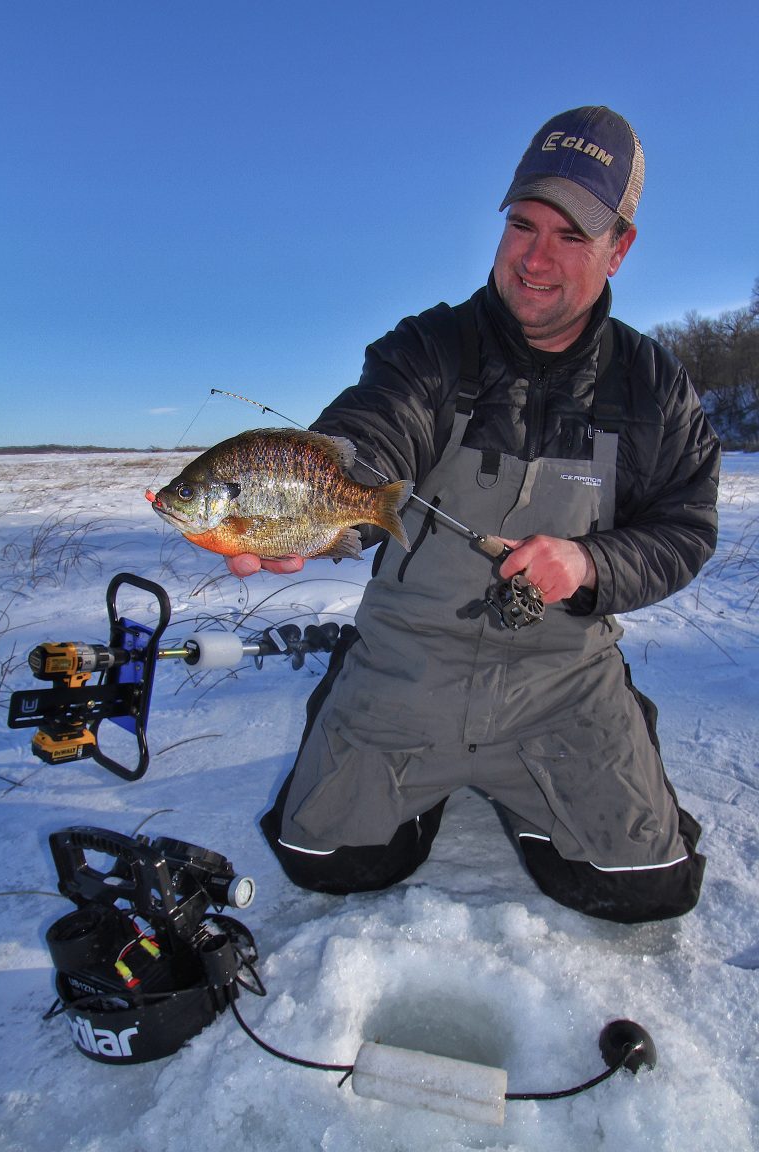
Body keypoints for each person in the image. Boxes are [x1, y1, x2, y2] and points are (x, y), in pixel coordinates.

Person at [228, 106, 720, 923]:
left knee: (644, 889)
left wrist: (589, 565)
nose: (535, 257)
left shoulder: (652, 385)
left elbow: (687, 527)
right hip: (408, 661)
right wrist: (324, 511)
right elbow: (373, 432)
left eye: (571, 236)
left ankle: (594, 749)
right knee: (326, 862)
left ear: (619, 248)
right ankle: (351, 701)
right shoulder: (426, 349)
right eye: (523, 225)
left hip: (560, 677)